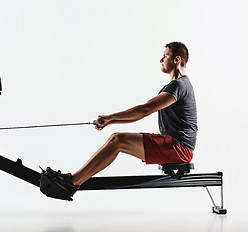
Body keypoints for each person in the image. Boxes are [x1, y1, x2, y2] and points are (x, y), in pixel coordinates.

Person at [46, 41, 197, 197]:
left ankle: (71, 183)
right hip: (174, 145)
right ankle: (72, 180)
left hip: (179, 149)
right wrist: (111, 120)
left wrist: (110, 118)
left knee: (117, 140)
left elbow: (144, 110)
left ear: (176, 60)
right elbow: (143, 111)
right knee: (116, 139)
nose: (161, 60)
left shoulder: (178, 85)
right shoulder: (179, 85)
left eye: (165, 56)